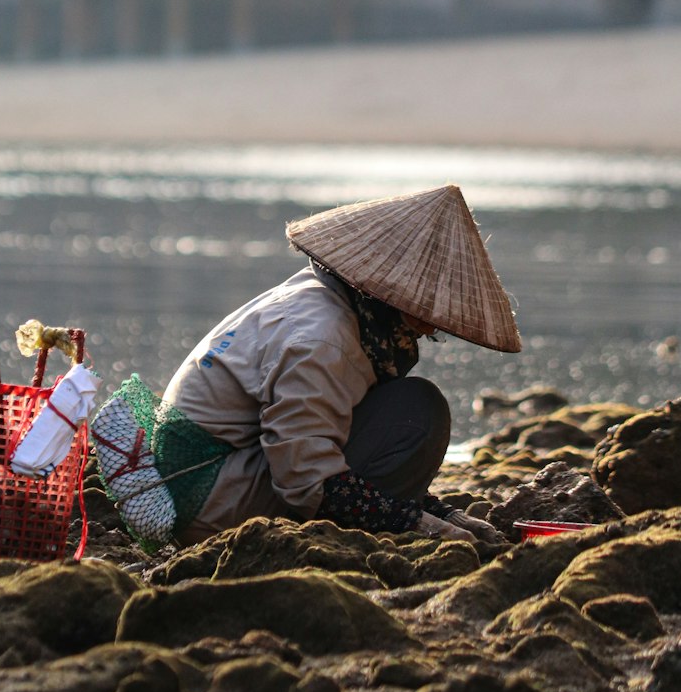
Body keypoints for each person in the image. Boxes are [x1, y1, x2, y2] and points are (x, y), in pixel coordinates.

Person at [150, 183, 521, 548]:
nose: (431, 329)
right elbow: (305, 479)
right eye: (426, 316)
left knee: (407, 406)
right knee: (419, 413)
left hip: (226, 471)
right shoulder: (322, 340)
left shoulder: (326, 297)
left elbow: (325, 432)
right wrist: (418, 525)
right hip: (206, 501)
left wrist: (443, 513)